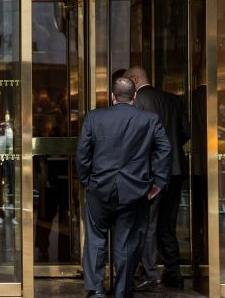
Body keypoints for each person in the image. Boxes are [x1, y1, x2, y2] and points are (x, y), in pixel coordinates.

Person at [76, 77, 171, 298]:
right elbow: (164, 150)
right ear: (134, 96)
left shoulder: (94, 117)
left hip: (99, 188)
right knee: (127, 242)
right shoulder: (149, 119)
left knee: (95, 239)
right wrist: (158, 182)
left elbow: (82, 153)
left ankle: (97, 290)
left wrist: (86, 181)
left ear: (112, 96)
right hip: (135, 190)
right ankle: (122, 290)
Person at [124, 66, 191, 290]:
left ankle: (150, 273)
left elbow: (135, 137)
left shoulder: (138, 99)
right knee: (168, 224)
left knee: (148, 223)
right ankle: (174, 272)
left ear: (134, 79)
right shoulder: (172, 100)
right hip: (176, 169)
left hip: (151, 172)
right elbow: (185, 132)